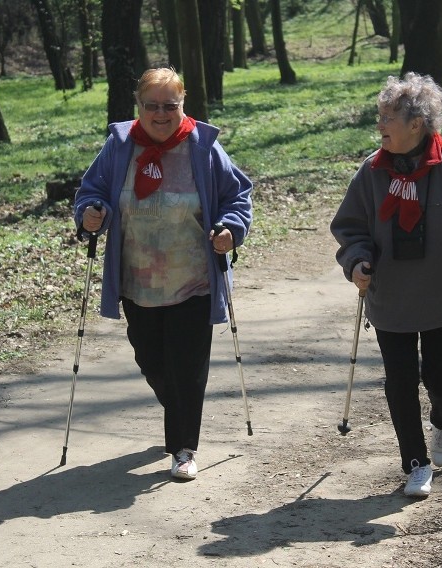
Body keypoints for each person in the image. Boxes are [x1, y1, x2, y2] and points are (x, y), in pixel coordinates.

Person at [73, 67, 253, 481]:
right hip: (138, 282)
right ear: (138, 106)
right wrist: (91, 213)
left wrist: (230, 229)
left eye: (169, 106)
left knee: (187, 367)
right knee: (153, 361)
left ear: (182, 104)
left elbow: (237, 195)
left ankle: (183, 446)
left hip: (194, 279)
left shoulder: (202, 148)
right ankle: (178, 407)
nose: (160, 114)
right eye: (151, 105)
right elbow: (91, 191)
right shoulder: (120, 148)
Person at [330, 72, 442, 498]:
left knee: (441, 381)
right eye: (380, 116)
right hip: (390, 300)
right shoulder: (371, 172)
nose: (380, 125)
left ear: (416, 124)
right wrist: (357, 261)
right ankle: (415, 462)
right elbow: (350, 229)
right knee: (400, 381)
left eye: (387, 117)